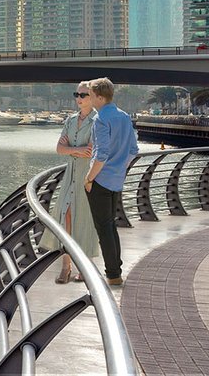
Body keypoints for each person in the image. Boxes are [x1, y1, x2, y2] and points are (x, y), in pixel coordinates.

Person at [85, 77, 138, 287]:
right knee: (110, 226)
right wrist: (119, 170)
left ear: (98, 96)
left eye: (89, 95)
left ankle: (113, 274)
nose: (88, 98)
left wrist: (89, 178)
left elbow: (101, 154)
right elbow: (133, 151)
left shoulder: (100, 119)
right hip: (117, 180)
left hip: (100, 180)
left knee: (103, 228)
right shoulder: (124, 116)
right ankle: (115, 271)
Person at [53, 83, 103, 282]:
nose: (79, 98)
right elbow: (59, 148)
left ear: (92, 96)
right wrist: (75, 150)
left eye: (83, 94)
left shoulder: (98, 121)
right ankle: (66, 267)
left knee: (85, 220)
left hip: (88, 175)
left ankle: (85, 268)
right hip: (71, 174)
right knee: (65, 216)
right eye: (77, 94)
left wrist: (71, 149)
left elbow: (91, 151)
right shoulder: (70, 120)